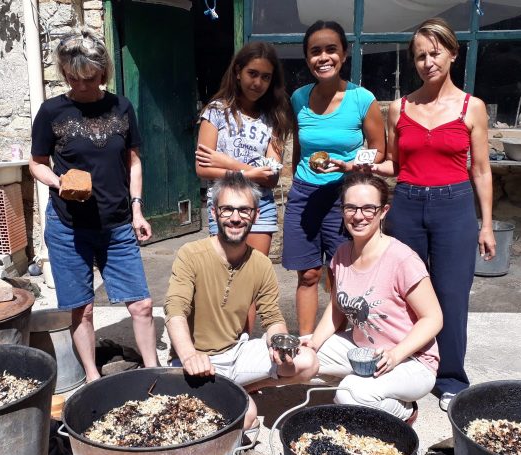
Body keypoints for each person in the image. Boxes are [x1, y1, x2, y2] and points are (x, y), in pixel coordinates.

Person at [369, 18, 495, 410]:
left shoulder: (471, 108)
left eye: (435, 52)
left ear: (453, 53)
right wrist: (360, 167)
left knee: (452, 293)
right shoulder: (400, 108)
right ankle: (404, 362)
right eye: (420, 55)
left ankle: (451, 377)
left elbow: (481, 169)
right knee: (404, 291)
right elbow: (395, 164)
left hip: (454, 206)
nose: (428, 61)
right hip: (406, 204)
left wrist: (486, 224)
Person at [30, 27, 158, 382]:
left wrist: (136, 209)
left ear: (102, 73)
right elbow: (36, 162)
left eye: (89, 78)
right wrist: (60, 182)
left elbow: (133, 161)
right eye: (73, 78)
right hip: (68, 227)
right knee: (82, 310)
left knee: (143, 304)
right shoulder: (52, 112)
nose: (82, 86)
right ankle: (91, 376)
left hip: (117, 224)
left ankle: (152, 370)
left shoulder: (121, 107)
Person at [165, 174, 319, 429]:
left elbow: (273, 318)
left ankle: (240, 387)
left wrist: (280, 345)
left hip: (235, 353)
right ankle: (226, 394)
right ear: (214, 213)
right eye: (227, 210)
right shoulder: (191, 254)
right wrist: (189, 354)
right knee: (247, 417)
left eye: (244, 210)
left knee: (306, 362)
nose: (236, 218)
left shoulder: (260, 263)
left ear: (256, 215)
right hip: (197, 362)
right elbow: (175, 309)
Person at [303, 173, 442, 422]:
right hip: (362, 351)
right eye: (351, 207)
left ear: (383, 211)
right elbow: (336, 310)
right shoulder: (341, 254)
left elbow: (433, 318)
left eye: (368, 208)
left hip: (411, 360)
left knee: (349, 392)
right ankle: (371, 394)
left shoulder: (402, 259)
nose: (358, 216)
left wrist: (396, 354)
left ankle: (404, 411)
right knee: (299, 359)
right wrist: (313, 344)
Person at [283, 20, 386, 336]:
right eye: (315, 51)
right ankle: (305, 343)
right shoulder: (298, 98)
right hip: (305, 195)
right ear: (307, 57)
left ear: (344, 54)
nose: (323, 57)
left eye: (331, 49)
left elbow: (378, 151)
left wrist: (349, 167)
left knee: (343, 274)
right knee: (308, 274)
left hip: (346, 196)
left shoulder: (362, 100)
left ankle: (345, 341)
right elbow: (299, 149)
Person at [196, 41, 293, 332]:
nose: (258, 82)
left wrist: (227, 162)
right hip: (223, 206)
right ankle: (221, 343)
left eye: (266, 77)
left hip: (260, 207)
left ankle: (245, 344)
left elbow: (272, 175)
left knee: (250, 282)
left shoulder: (274, 117)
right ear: (237, 71)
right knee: (224, 279)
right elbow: (202, 167)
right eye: (253, 73)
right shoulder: (215, 112)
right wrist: (253, 171)